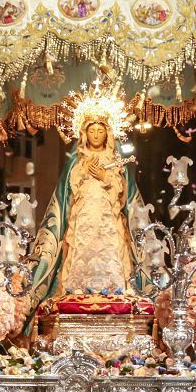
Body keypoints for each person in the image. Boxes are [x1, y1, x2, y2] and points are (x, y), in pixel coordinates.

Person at [22, 68, 147, 320]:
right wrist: (83, 179)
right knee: (80, 251)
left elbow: (123, 197)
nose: (97, 135)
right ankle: (76, 289)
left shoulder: (115, 160)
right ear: (84, 133)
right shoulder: (75, 162)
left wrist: (106, 179)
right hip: (82, 218)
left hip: (107, 220)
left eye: (101, 131)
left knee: (110, 250)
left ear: (108, 133)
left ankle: (114, 291)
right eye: (92, 130)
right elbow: (68, 193)